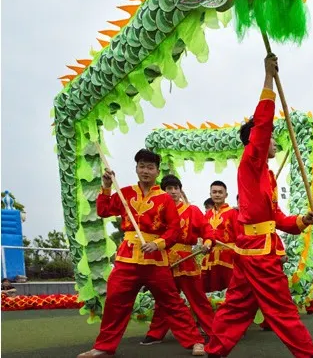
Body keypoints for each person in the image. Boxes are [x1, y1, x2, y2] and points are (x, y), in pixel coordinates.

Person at [204, 54, 313, 358]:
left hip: (252, 249)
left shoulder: (266, 175)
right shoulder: (252, 161)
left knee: (235, 309)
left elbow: (277, 219)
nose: (274, 143)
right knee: (282, 309)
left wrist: (303, 220)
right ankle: (310, 355)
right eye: (269, 139)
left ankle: (215, 351)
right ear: (256, 140)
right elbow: (263, 126)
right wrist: (268, 79)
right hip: (258, 253)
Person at [77, 149, 205, 357]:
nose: (146, 170)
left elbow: (174, 229)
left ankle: (195, 341)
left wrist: (159, 244)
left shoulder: (165, 199)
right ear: (136, 169)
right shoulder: (125, 192)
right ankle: (103, 346)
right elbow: (103, 211)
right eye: (142, 166)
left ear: (157, 171)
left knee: (171, 301)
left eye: (150, 167)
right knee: (115, 301)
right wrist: (107, 187)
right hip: (128, 257)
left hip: (155, 258)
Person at [141, 175, 215, 346]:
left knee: (198, 298)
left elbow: (207, 229)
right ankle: (155, 333)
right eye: (169, 189)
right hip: (163, 259)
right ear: (163, 191)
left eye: (176, 188)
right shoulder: (158, 211)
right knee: (165, 299)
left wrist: (208, 242)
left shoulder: (192, 210)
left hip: (186, 260)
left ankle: (212, 331)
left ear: (181, 190)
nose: (173, 192)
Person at [201, 180, 238, 293]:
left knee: (230, 291)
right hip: (210, 259)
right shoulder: (207, 215)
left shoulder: (233, 213)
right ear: (210, 194)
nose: (217, 194)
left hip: (228, 258)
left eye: (220, 192)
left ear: (226, 195)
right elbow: (203, 234)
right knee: (211, 291)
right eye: (214, 192)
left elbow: (239, 234)